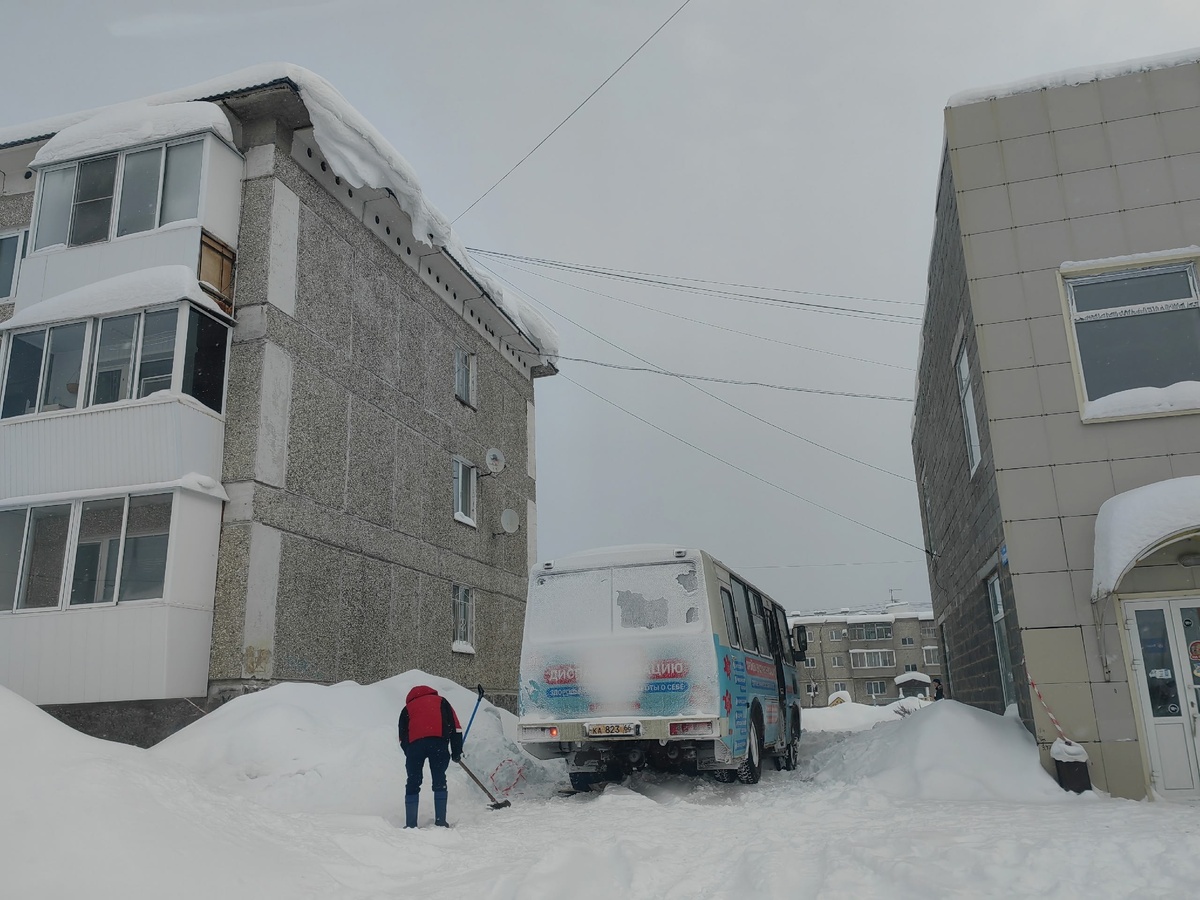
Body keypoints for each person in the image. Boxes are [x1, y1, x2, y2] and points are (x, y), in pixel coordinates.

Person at [398, 684, 463, 828]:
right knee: (439, 778)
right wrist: (456, 751)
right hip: (438, 742)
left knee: (413, 781)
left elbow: (402, 736)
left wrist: (410, 751)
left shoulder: (407, 709)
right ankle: (440, 821)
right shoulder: (442, 702)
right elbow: (456, 728)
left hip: (415, 746)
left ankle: (411, 825)